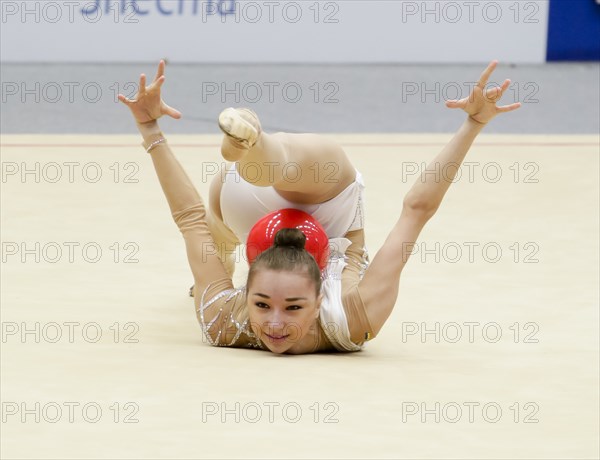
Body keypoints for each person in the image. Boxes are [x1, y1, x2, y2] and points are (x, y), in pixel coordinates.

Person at [118, 60, 521, 354]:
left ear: (315, 302)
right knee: (315, 164)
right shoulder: (353, 320)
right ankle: (258, 150)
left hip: (243, 204)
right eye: (263, 305)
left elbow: (190, 220)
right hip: (327, 216)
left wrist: (150, 130)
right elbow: (416, 210)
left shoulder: (224, 320)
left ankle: (258, 148)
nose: (274, 323)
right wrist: (473, 126)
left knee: (229, 216)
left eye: (293, 307)